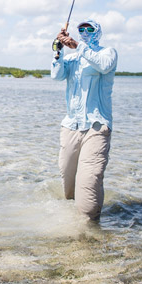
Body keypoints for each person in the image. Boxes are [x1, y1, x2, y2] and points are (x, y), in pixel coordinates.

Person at [51, 19, 118, 220]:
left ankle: (90, 227)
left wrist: (78, 46)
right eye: (82, 29)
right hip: (71, 126)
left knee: (89, 180)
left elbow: (104, 66)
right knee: (67, 178)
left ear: (98, 31)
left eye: (90, 28)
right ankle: (72, 222)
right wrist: (59, 50)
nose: (85, 31)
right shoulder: (72, 59)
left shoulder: (108, 53)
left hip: (97, 127)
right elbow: (56, 75)